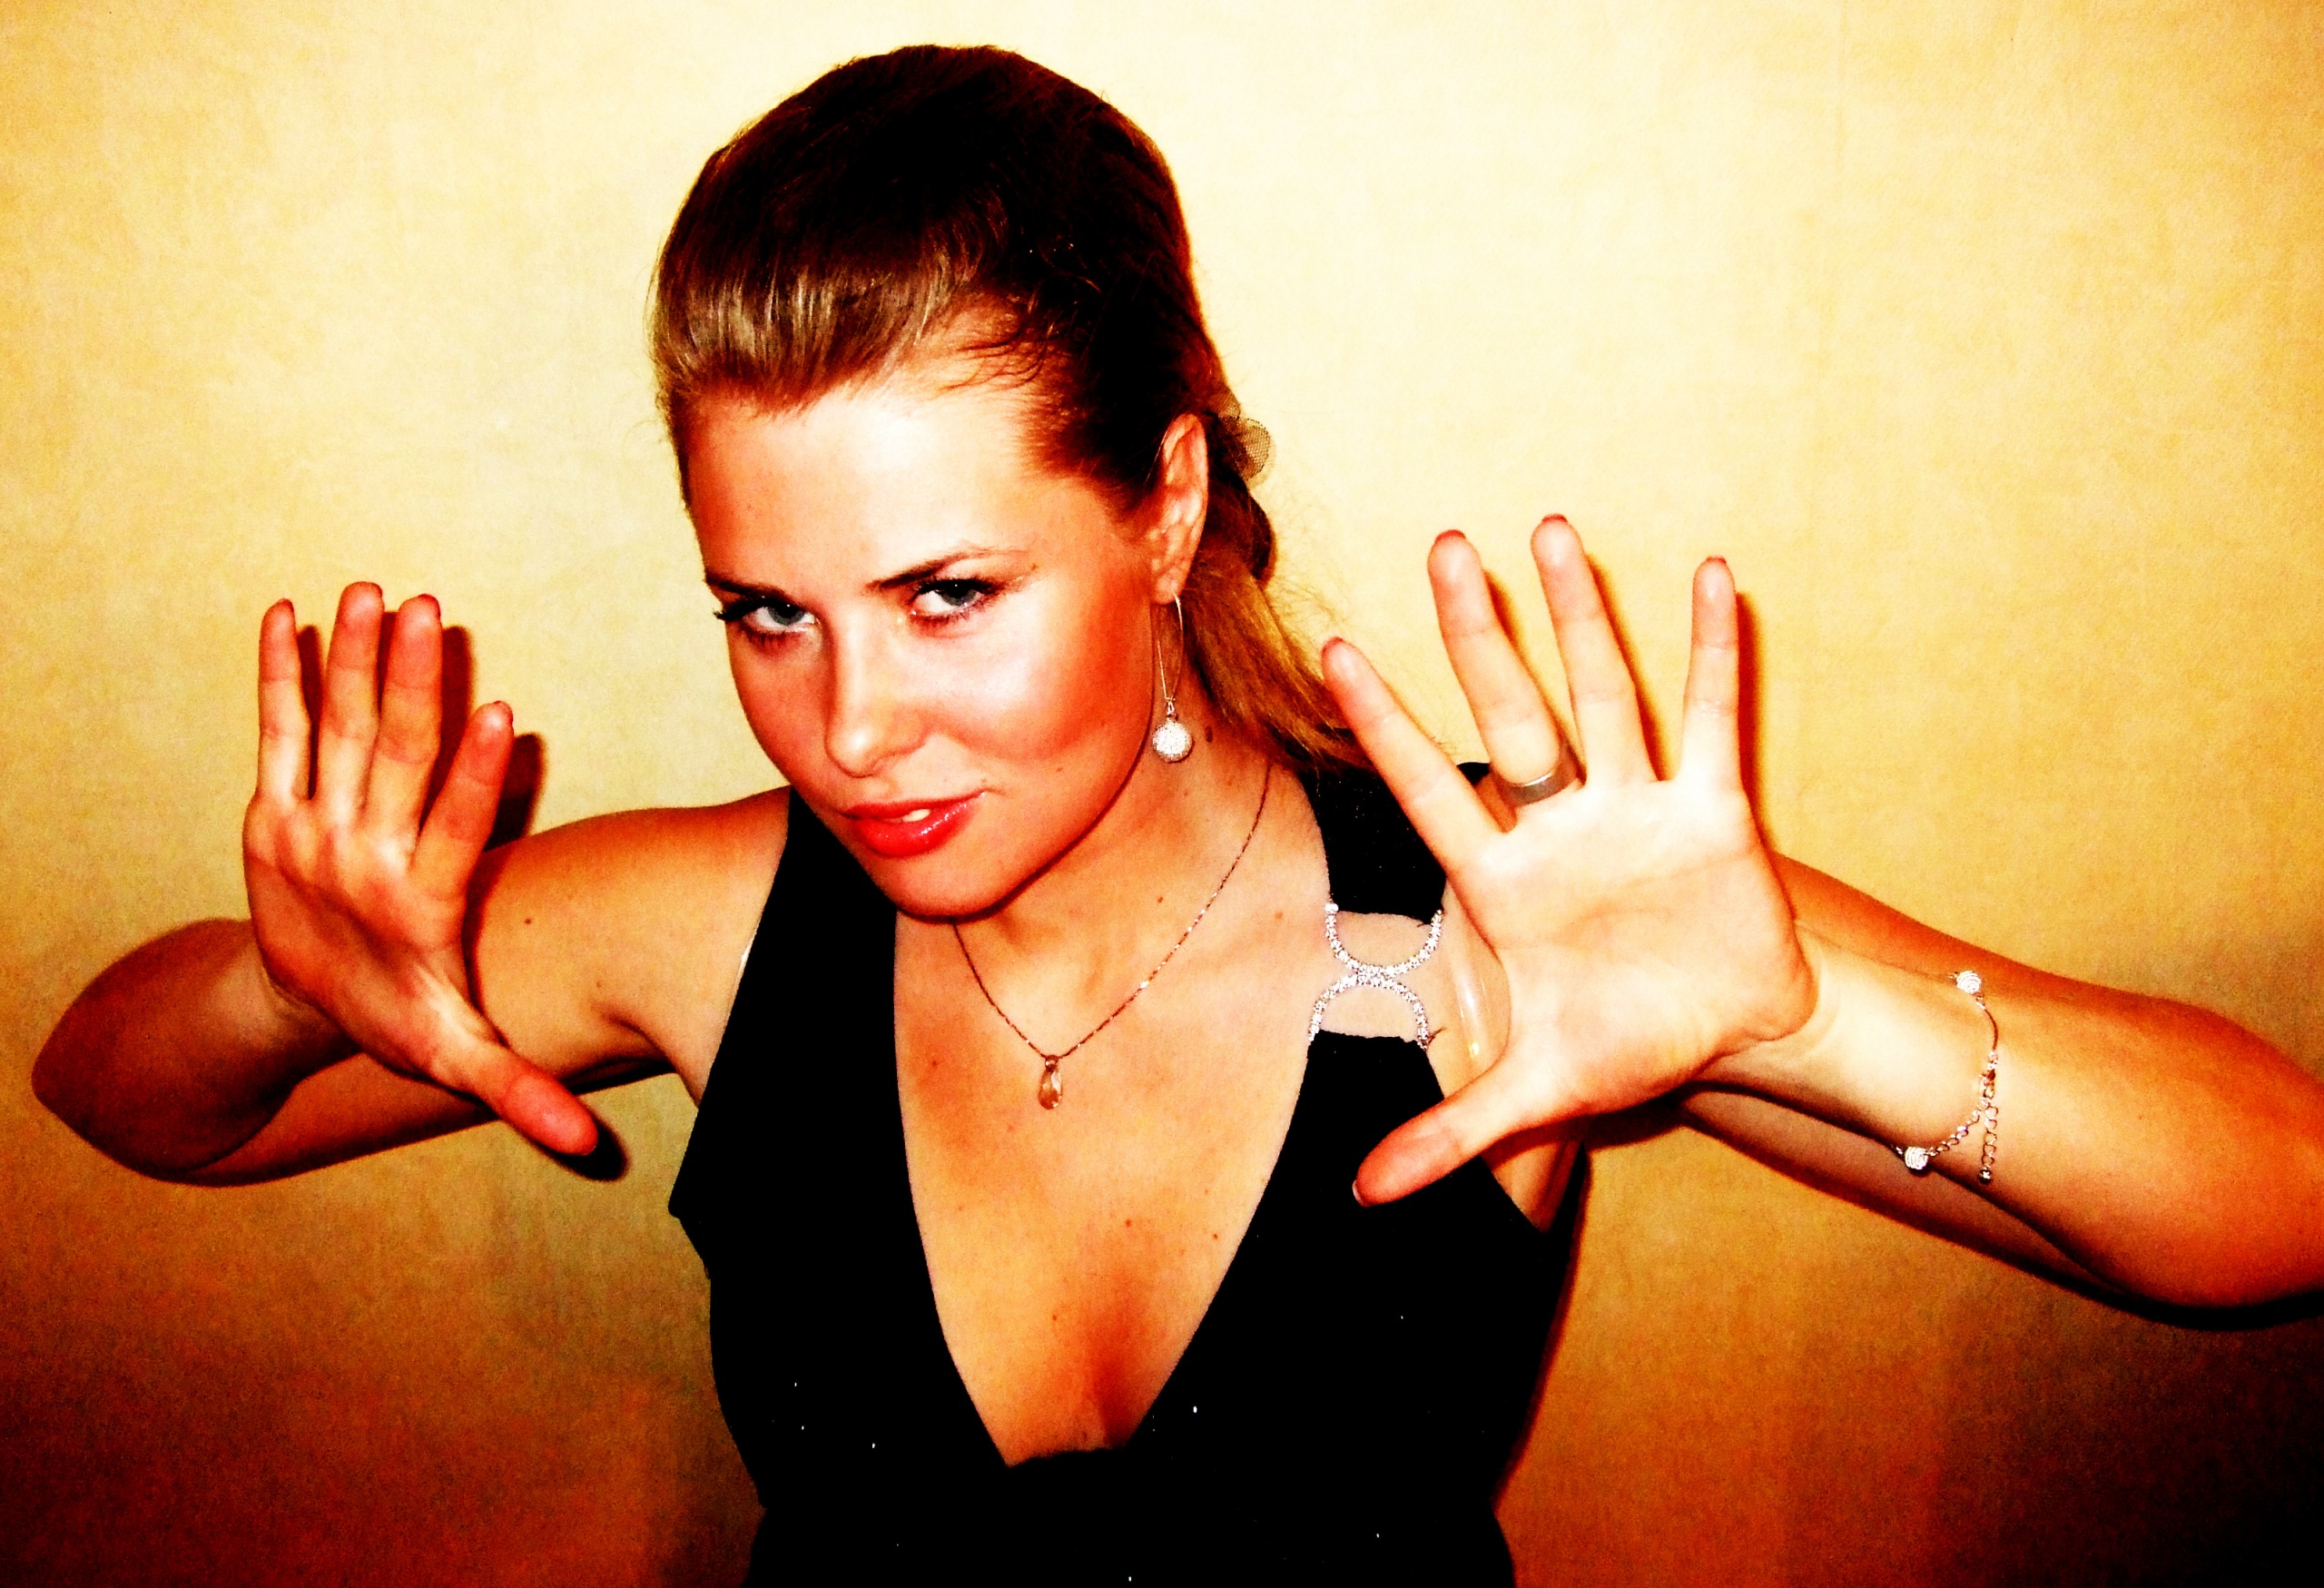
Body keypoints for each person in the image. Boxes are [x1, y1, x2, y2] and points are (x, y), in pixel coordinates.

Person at [32, 42, 2324, 1585]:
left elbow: (2278, 1203)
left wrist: (1810, 1018)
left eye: (945, 592)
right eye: (767, 610)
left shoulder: (1497, 922)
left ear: (1161, 499)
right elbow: (118, 1097)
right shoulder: (712, 920)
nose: (850, 730)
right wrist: (278, 992)